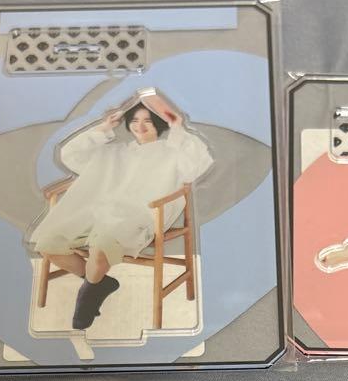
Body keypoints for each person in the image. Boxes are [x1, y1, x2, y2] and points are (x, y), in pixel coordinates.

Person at [29, 95, 213, 329]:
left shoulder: (171, 152)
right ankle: (98, 284)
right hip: (97, 212)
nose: (140, 126)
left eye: (147, 121)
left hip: (140, 217)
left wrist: (177, 127)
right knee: (48, 244)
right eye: (134, 120)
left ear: (158, 123)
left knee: (101, 247)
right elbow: (71, 155)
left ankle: (87, 296)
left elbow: (197, 165)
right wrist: (104, 128)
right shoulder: (115, 152)